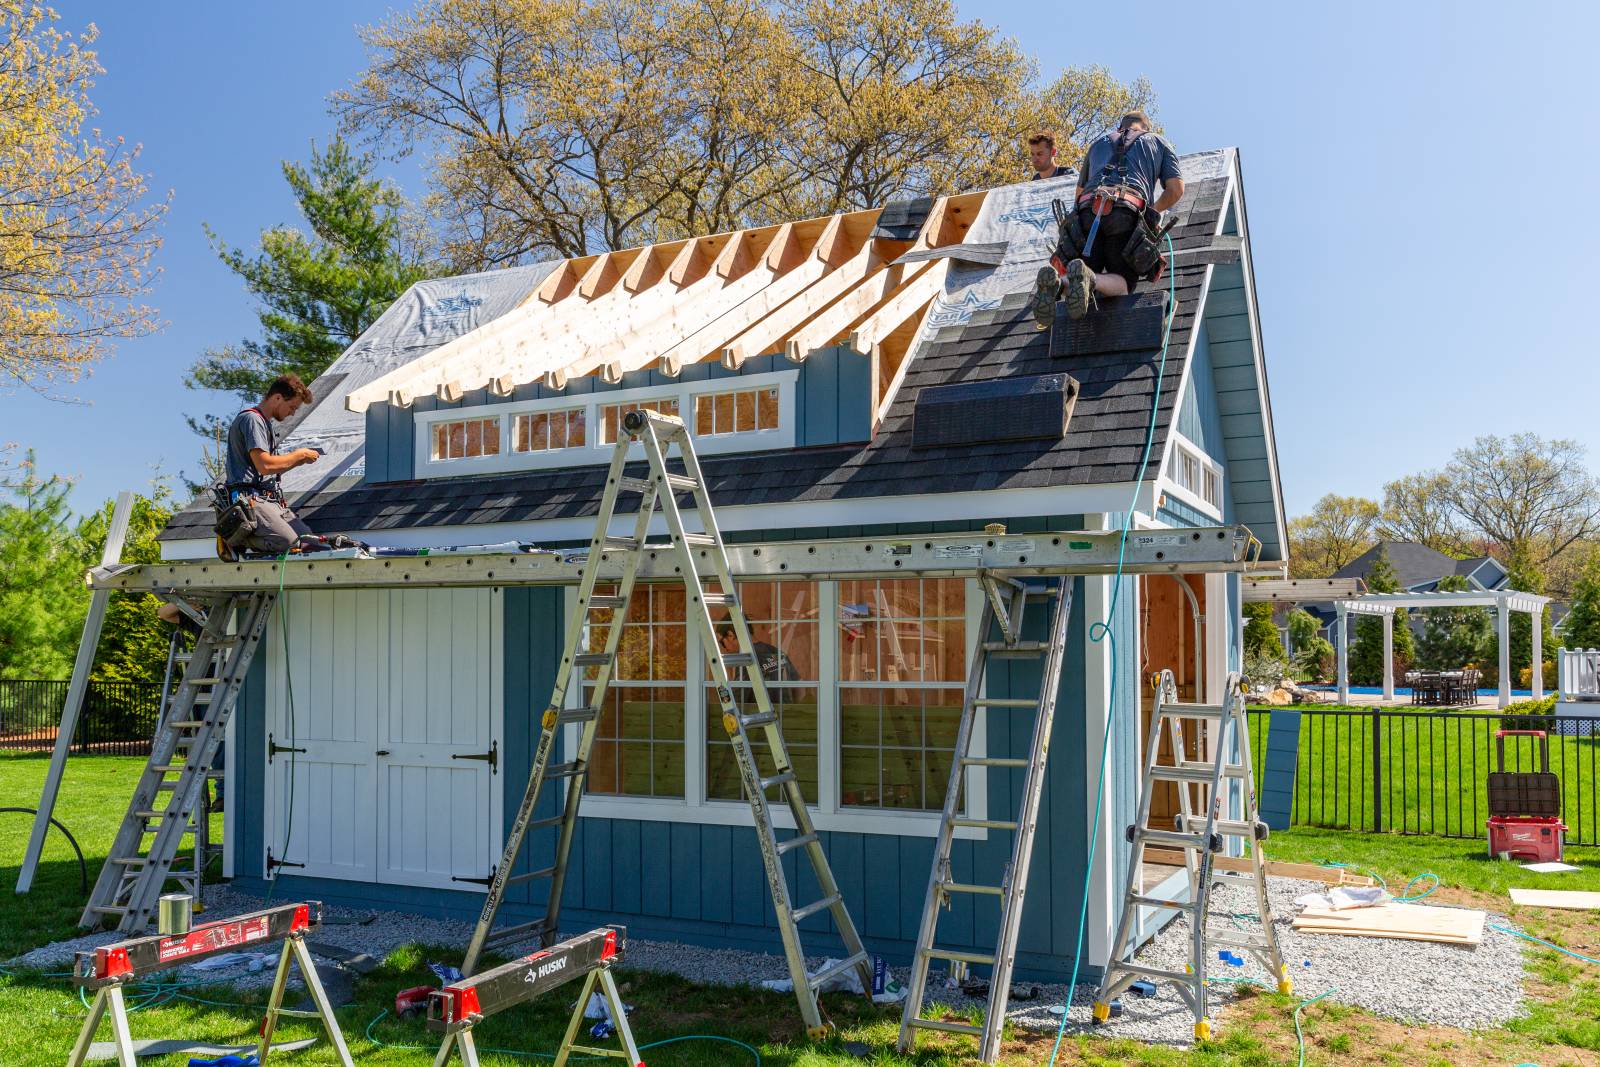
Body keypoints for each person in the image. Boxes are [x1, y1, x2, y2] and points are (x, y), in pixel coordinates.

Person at [1030, 110, 1186, 327]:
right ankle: (1090, 279)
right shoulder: (1158, 141)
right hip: (1126, 209)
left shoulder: (1098, 143)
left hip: (1086, 209)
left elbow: (1079, 194)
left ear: (1120, 126)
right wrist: (1153, 211)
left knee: (1080, 271)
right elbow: (1176, 190)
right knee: (1124, 282)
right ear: (1146, 127)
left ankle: (1058, 283)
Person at [218, 374, 324, 556]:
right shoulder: (252, 420)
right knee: (288, 543)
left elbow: (269, 467)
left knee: (309, 544)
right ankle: (234, 535)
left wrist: (298, 461)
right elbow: (265, 465)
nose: (292, 413)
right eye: (292, 407)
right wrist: (299, 454)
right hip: (249, 499)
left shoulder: (264, 424)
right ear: (277, 398)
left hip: (269, 500)